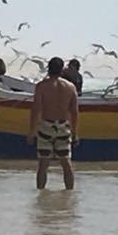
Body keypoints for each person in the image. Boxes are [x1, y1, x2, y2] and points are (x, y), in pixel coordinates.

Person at [27, 57, 79, 190]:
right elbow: (74, 112)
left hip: (46, 126)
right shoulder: (70, 87)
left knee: (43, 165)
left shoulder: (42, 86)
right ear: (62, 70)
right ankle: (69, 195)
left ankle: (40, 194)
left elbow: (36, 110)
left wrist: (32, 132)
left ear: (48, 68)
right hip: (63, 126)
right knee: (66, 163)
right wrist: (75, 133)